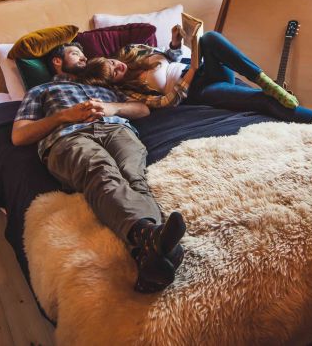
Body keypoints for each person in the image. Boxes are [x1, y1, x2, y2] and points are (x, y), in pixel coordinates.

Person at [12, 42, 186, 293]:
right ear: (57, 62)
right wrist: (62, 116)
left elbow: (143, 109)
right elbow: (19, 136)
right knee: (101, 171)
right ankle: (150, 237)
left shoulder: (104, 86)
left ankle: (150, 255)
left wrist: (111, 108)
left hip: (116, 129)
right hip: (68, 137)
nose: (83, 57)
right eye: (75, 53)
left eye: (84, 53)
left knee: (133, 175)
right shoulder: (41, 90)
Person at [78, 28, 312, 126]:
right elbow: (167, 102)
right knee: (262, 103)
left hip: (198, 66)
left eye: (111, 62)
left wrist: (176, 42)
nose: (116, 67)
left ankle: (267, 80)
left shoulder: (135, 52)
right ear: (111, 83)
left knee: (210, 38)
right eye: (112, 73)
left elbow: (172, 57)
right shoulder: (131, 93)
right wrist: (193, 72)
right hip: (199, 89)